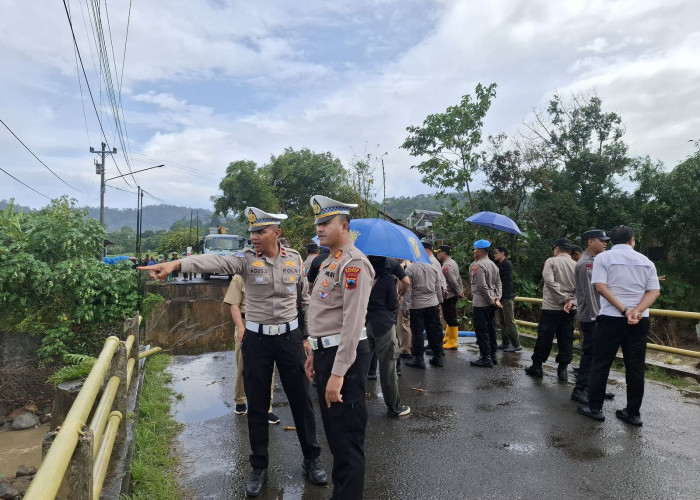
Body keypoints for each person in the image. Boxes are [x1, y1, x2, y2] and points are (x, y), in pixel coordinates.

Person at [139, 207, 326, 498]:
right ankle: (259, 467)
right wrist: (176, 264)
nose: (253, 237)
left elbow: (305, 300)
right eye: (251, 232)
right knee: (257, 403)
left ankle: (311, 460)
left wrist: (307, 337)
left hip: (290, 339)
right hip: (257, 340)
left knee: (301, 400)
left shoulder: (295, 259)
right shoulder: (245, 260)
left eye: (259, 231)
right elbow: (214, 260)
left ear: (275, 233)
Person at [304, 195, 375, 499]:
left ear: (344, 226)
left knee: (346, 442)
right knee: (334, 436)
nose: (319, 229)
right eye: (317, 223)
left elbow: (352, 322)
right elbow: (323, 315)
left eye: (326, 223)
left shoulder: (353, 263)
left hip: (343, 358)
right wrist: (313, 354)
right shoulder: (329, 261)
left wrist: (337, 374)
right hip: (325, 355)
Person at [577, 225, 661, 425]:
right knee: (635, 367)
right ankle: (633, 413)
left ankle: (595, 408)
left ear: (612, 241)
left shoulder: (603, 259)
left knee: (601, 363)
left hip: (611, 319)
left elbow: (600, 287)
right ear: (632, 240)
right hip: (640, 320)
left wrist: (624, 310)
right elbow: (654, 291)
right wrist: (636, 311)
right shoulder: (646, 261)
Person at [223, 274, 278, 423]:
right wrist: (240, 328)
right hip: (246, 323)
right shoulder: (240, 276)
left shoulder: (273, 273)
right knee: (244, 364)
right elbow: (233, 304)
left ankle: (267, 408)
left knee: (268, 367)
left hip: (268, 323)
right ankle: (240, 400)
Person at [570, 230, 615, 405]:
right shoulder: (586, 264)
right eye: (601, 240)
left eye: (606, 241)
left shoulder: (597, 261)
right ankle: (580, 390)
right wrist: (598, 318)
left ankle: (595, 388)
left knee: (599, 355)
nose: (605, 243)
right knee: (590, 354)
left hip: (598, 315)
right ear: (590, 241)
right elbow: (590, 294)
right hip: (591, 317)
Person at [525, 238, 577, 380]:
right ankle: (563, 370)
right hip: (570, 308)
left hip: (552, 307)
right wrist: (571, 301)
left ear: (557, 249)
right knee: (566, 338)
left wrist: (562, 297)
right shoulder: (576, 264)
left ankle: (537, 367)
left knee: (545, 336)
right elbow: (582, 288)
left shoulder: (551, 261)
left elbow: (549, 281)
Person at [366, 255, 410, 417]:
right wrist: (399, 296)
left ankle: (352, 405)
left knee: (358, 366)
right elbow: (393, 304)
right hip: (383, 326)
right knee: (388, 369)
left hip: (363, 324)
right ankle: (395, 407)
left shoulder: (360, 276)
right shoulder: (388, 278)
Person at [402, 257, 444, 369]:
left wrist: (404, 306)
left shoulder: (410, 269)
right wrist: (439, 301)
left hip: (417, 305)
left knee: (417, 333)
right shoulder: (433, 268)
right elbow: (438, 287)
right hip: (432, 303)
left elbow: (408, 291)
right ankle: (438, 357)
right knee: (434, 331)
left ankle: (419, 359)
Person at [468, 239, 503, 367]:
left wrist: (490, 300)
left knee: (482, 330)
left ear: (481, 251)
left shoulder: (479, 265)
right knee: (491, 329)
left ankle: (485, 357)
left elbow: (482, 286)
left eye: (475, 249)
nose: (474, 251)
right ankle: (493, 355)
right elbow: (499, 283)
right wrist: (496, 298)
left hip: (481, 303)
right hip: (491, 303)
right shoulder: (493, 264)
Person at [493, 247, 522, 352]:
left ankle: (516, 344)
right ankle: (505, 342)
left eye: (496, 253)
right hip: (501, 296)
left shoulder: (506, 264)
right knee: (502, 321)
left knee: (509, 321)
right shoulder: (500, 264)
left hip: (507, 296)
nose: (494, 255)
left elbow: (494, 271)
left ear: (503, 253)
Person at [436, 244, 463, 350]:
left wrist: (458, 292)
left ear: (444, 253)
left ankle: (453, 341)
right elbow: (459, 279)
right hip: (452, 294)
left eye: (439, 252)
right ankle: (448, 337)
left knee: (451, 317)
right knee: (448, 316)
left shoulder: (447, 265)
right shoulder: (452, 262)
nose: (438, 254)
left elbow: (452, 281)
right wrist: (460, 290)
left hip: (450, 295)